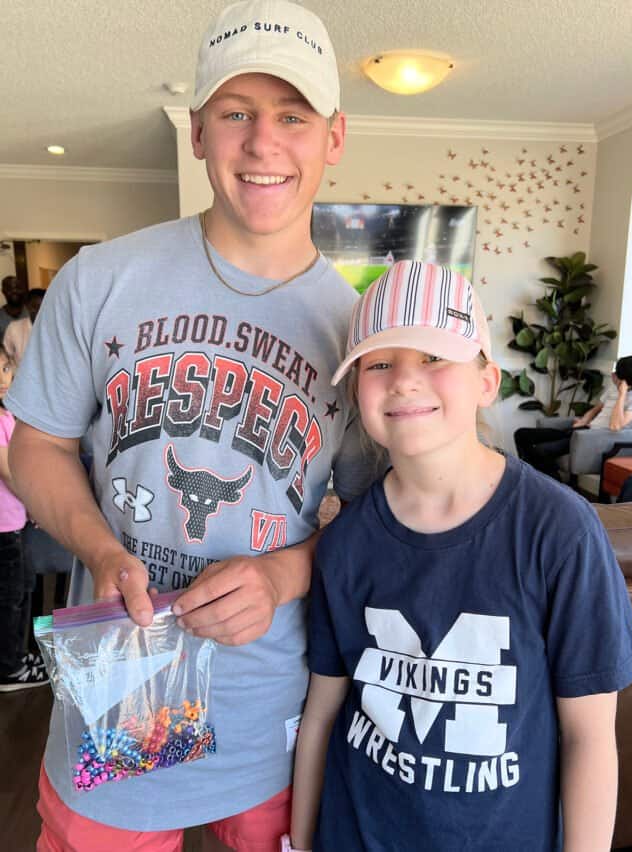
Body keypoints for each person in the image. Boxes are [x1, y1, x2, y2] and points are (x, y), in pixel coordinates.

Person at [6, 2, 377, 849]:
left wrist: (286, 574)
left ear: (335, 135)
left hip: (275, 705)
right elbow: (37, 446)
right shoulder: (101, 279)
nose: (263, 142)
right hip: (121, 690)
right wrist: (101, 549)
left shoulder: (363, 336)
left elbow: (380, 518)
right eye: (236, 112)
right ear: (199, 131)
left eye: (292, 115)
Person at [286, 261, 632, 852]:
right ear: (356, 390)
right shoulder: (345, 543)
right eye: (378, 363)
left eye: (433, 357)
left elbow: (590, 736)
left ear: (486, 381)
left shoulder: (559, 531)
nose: (403, 380)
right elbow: (323, 712)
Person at [0, 344, 48, 691]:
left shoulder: (7, 415)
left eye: (5, 368)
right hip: (4, 528)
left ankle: (15, 655)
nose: (4, 378)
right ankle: (9, 668)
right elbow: (10, 471)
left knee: (19, 591)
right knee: (9, 597)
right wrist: (39, 504)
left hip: (13, 523)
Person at [514, 355, 632, 478]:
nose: (613, 374)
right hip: (582, 430)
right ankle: (529, 477)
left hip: (591, 439)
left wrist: (622, 394)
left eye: (617, 373)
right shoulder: (613, 389)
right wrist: (583, 420)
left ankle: (558, 488)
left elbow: (616, 425)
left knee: (541, 451)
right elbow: (595, 410)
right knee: (521, 434)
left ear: (625, 380)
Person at [3, 287, 46, 365]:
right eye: (34, 307)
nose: (38, 311)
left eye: (42, 307)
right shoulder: (14, 328)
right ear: (27, 306)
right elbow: (6, 357)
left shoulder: (55, 327)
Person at [0, 275, 29, 343]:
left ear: (22, 290)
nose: (14, 291)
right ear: (3, 291)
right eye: (9, 289)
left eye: (17, 288)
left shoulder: (32, 312)